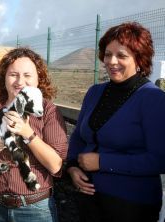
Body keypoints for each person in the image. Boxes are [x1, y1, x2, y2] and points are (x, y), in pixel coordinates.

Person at [67, 22, 165, 222]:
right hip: (89, 200)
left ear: (139, 59)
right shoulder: (95, 92)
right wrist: (72, 166)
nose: (112, 61)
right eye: (107, 54)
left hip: (131, 205)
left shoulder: (153, 99)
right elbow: (78, 135)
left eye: (121, 55)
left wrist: (103, 162)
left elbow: (159, 160)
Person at [0, 47, 68, 222]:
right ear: (4, 78)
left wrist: (27, 133)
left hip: (35, 209)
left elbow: (55, 166)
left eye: (27, 75)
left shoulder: (48, 112)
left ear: (38, 79)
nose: (20, 81)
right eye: (13, 74)